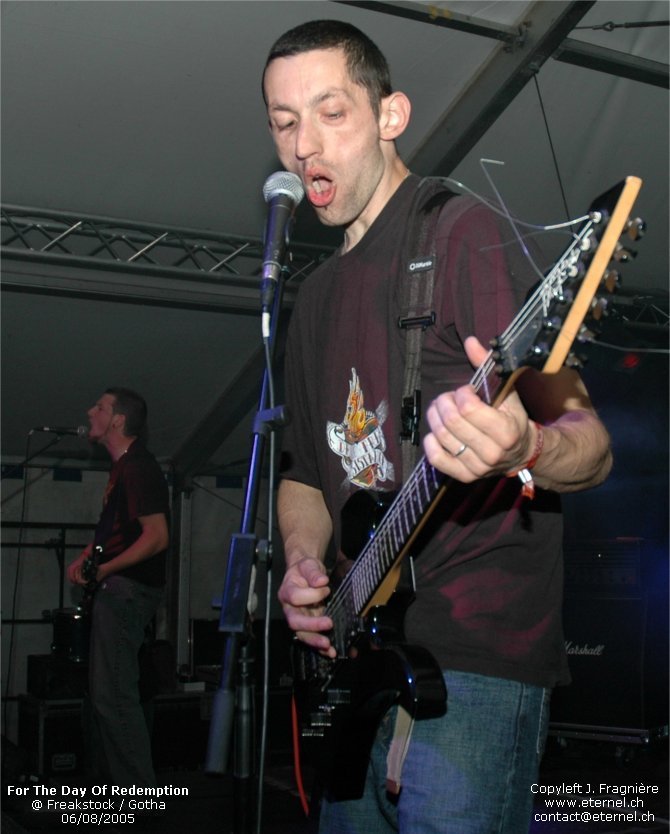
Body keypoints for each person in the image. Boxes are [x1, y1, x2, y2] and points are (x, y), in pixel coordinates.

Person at [262, 19, 613, 834]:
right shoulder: (314, 298)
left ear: (390, 115)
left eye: (331, 113)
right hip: (359, 652)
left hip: (473, 653)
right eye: (284, 123)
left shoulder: (460, 233)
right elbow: (306, 473)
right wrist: (306, 562)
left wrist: (527, 446)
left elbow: (591, 445)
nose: (305, 146)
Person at [67, 387, 169, 788]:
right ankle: (125, 787)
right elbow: (117, 529)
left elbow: (157, 536)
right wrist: (87, 556)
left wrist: (105, 568)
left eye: (100, 407)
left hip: (128, 590)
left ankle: (138, 794)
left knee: (114, 696)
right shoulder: (124, 468)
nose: (90, 411)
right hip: (119, 588)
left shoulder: (139, 467)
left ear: (118, 420)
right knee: (108, 695)